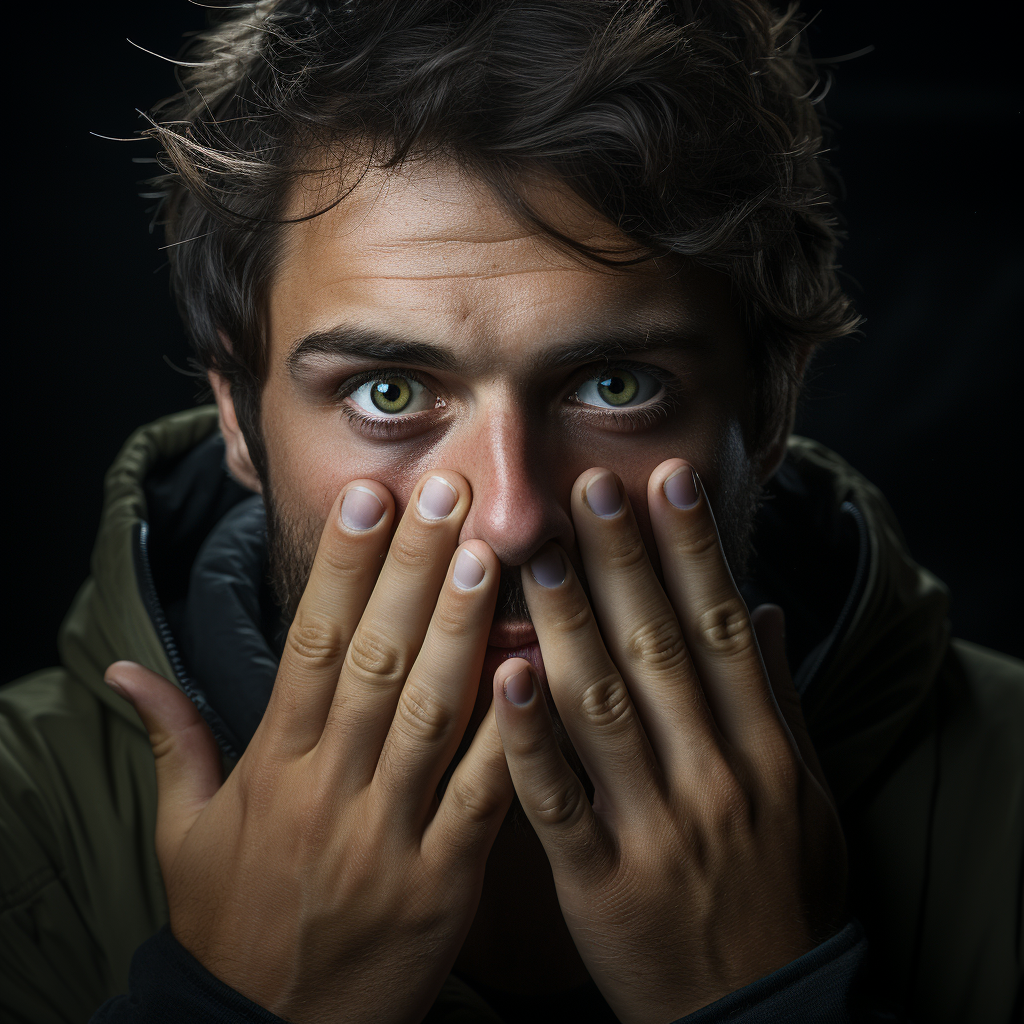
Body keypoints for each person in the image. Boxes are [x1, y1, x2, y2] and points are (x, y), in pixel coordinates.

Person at [1, 1, 1020, 1022]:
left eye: (615, 385)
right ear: (236, 412)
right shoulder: (25, 821)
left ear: (771, 400)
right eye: (387, 392)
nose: (510, 518)